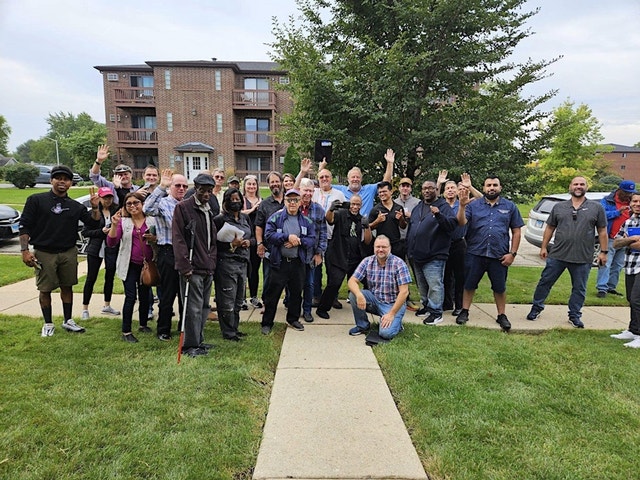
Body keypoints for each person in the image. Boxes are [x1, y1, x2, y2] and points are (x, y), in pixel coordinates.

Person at [19, 166, 101, 337]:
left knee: (67, 286)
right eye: (58, 178)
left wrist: (95, 208)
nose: (62, 181)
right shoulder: (36, 200)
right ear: (51, 180)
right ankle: (48, 323)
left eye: (66, 179)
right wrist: (25, 250)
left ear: (71, 183)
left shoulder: (75, 206)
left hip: (68, 252)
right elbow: (24, 226)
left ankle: (68, 320)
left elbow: (93, 223)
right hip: (44, 252)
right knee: (45, 288)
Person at [526, 177, 608, 328]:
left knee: (579, 288)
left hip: (583, 257)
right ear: (570, 186)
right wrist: (543, 247)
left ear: (587, 187)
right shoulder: (559, 207)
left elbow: (602, 231)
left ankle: (574, 315)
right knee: (545, 282)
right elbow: (550, 227)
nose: (578, 186)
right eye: (576, 184)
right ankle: (536, 308)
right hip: (558, 254)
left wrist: (603, 252)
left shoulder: (596, 208)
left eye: (582, 184)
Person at [455, 176, 524, 331]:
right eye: (488, 185)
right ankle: (464, 311)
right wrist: (462, 206)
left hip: (499, 255)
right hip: (475, 252)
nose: (491, 188)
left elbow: (517, 231)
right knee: (469, 284)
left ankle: (501, 315)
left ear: (500, 188)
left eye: (494, 185)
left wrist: (512, 254)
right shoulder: (474, 205)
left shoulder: (510, 206)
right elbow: (461, 222)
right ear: (484, 188)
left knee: (499, 287)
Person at [172, 173, 218, 357]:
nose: (206, 194)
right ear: (195, 189)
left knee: (204, 306)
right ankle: (190, 345)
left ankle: (199, 340)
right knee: (193, 308)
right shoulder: (183, 208)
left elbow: (211, 239)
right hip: (192, 267)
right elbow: (178, 239)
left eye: (209, 191)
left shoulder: (209, 208)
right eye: (202, 191)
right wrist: (185, 266)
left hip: (207, 266)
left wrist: (212, 261)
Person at [261, 189, 316, 335]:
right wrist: (286, 237)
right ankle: (267, 323)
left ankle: (293, 319)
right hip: (279, 263)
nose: (292, 203)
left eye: (295, 200)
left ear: (300, 202)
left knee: (296, 293)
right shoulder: (275, 218)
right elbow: (268, 235)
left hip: (298, 263)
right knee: (273, 294)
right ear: (285, 201)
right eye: (289, 200)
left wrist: (298, 241)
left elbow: (312, 239)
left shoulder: (307, 221)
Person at [143, 169, 189, 341]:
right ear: (171, 186)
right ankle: (163, 330)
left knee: (185, 293)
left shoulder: (187, 205)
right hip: (168, 252)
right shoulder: (163, 203)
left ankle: (184, 327)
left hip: (184, 253)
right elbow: (147, 208)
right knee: (168, 294)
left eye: (184, 186)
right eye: (178, 185)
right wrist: (161, 186)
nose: (181, 189)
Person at [106, 191, 157, 342]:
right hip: (129, 265)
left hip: (146, 265)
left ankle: (143, 324)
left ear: (142, 204)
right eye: (129, 204)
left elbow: (160, 239)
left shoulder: (152, 220)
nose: (132, 206)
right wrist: (114, 225)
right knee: (130, 296)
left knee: (145, 295)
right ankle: (126, 331)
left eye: (136, 203)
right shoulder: (123, 222)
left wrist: (154, 238)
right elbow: (111, 242)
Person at [406, 180, 458, 325]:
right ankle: (427, 306)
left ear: (436, 189)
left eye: (430, 188)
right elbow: (412, 227)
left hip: (434, 254)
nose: (427, 191)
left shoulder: (443, 206)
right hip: (417, 254)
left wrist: (439, 214)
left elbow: (451, 226)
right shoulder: (418, 207)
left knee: (435, 285)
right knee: (422, 285)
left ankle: (436, 312)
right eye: (424, 188)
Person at [297, 158, 346, 307]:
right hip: (316, 239)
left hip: (333, 237)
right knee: (316, 269)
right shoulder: (314, 192)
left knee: (332, 269)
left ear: (331, 179)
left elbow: (343, 215)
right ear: (318, 179)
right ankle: (316, 296)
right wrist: (303, 172)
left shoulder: (339, 194)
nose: (324, 179)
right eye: (321, 177)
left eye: (327, 177)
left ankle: (332, 297)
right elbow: (296, 189)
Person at [316, 194, 372, 319]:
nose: (355, 207)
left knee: (367, 281)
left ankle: (368, 304)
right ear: (349, 204)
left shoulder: (361, 219)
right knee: (334, 283)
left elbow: (368, 241)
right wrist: (331, 209)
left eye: (357, 204)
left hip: (355, 258)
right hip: (338, 256)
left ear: (361, 206)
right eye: (353, 204)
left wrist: (367, 227)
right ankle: (322, 309)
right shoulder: (341, 214)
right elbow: (330, 220)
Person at [347, 235, 411, 340]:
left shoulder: (399, 264)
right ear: (374, 248)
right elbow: (352, 281)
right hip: (375, 300)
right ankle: (362, 325)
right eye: (378, 247)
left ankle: (396, 323)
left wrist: (391, 314)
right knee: (353, 294)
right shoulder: (367, 261)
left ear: (390, 248)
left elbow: (404, 292)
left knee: (386, 334)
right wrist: (359, 295)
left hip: (393, 304)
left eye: (384, 247)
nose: (380, 250)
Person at [214, 188, 253, 341]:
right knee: (227, 299)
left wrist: (249, 242)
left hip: (243, 262)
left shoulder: (245, 218)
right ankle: (228, 332)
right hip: (226, 263)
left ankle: (234, 328)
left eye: (238, 199)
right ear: (226, 202)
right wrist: (231, 245)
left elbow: (253, 237)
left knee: (238, 299)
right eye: (232, 200)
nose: (235, 202)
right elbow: (213, 244)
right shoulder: (219, 220)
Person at [80, 186, 121, 320]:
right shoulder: (94, 212)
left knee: (110, 276)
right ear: (99, 198)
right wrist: (101, 231)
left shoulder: (116, 210)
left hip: (111, 248)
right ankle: (85, 308)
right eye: (104, 198)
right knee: (91, 278)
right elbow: (85, 232)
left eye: (109, 197)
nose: (107, 200)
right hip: (96, 248)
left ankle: (107, 305)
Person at [596, 180, 636, 298]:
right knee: (606, 263)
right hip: (610, 238)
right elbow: (601, 215)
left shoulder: (632, 202)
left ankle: (611, 287)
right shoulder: (607, 200)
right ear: (619, 190)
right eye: (626, 192)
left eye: (630, 193)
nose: (629, 195)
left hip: (626, 239)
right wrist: (617, 212)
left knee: (618, 265)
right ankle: (602, 288)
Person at [611, 192, 640, 348]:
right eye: (635, 201)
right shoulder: (628, 222)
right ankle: (633, 330)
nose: (637, 204)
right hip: (630, 265)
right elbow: (616, 243)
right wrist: (631, 239)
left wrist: (627, 242)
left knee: (637, 299)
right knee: (631, 298)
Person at [298, 178, 327, 323]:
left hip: (311, 254)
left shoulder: (318, 209)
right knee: (294, 284)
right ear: (300, 190)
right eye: (305, 190)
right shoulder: (293, 207)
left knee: (309, 284)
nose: (308, 193)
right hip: (295, 253)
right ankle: (294, 309)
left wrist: (319, 253)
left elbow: (323, 233)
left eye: (311, 191)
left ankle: (307, 310)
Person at [333, 149, 395, 216]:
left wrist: (390, 163)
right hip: (347, 222)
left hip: (366, 222)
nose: (355, 179)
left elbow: (385, 184)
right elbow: (325, 184)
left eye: (358, 177)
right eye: (353, 177)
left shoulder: (369, 189)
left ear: (361, 179)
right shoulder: (341, 190)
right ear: (348, 179)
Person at [255, 171, 284, 304]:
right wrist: (260, 244)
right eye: (272, 182)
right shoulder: (264, 204)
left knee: (289, 278)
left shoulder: (289, 200)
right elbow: (259, 226)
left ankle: (289, 302)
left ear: (281, 182)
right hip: (270, 248)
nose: (275, 184)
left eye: (277, 181)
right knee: (269, 277)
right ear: (268, 185)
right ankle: (266, 304)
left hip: (287, 246)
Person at [368, 181, 406, 257]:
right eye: (380, 192)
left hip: (396, 245)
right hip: (381, 246)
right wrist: (377, 221)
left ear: (391, 192)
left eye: (384, 191)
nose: (382, 194)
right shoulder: (375, 209)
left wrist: (401, 218)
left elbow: (403, 226)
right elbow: (368, 228)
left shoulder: (398, 208)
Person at [241, 174, 263, 308]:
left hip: (257, 239)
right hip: (244, 239)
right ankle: (241, 298)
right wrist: (253, 209)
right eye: (249, 184)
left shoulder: (261, 200)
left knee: (254, 269)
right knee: (243, 269)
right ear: (244, 186)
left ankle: (254, 297)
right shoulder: (241, 200)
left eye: (254, 184)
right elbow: (238, 214)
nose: (251, 186)